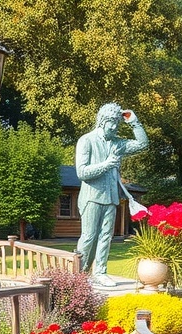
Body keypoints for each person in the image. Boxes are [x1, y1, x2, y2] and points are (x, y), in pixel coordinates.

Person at [75, 103, 148, 286]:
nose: (114, 127)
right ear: (102, 121)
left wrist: (134, 121)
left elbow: (142, 144)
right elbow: (82, 172)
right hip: (91, 197)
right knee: (89, 236)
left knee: (106, 236)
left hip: (111, 197)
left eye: (117, 123)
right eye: (111, 123)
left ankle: (100, 272)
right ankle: (79, 276)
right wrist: (106, 164)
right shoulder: (87, 140)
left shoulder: (117, 143)